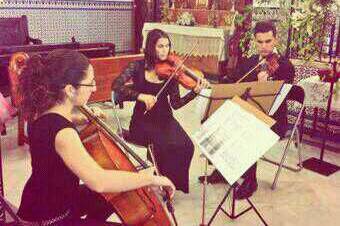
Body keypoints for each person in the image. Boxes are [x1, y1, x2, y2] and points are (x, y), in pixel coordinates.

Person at [17, 49, 175, 226]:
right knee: (110, 188)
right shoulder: (64, 134)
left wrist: (81, 117)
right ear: (69, 90)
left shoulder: (41, 113)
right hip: (50, 219)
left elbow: (54, 123)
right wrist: (149, 179)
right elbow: (99, 181)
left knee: (117, 194)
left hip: (44, 199)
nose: (94, 88)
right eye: (90, 83)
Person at [200, 20, 295, 200]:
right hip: (249, 112)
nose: (264, 46)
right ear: (254, 41)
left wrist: (264, 87)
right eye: (260, 42)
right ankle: (223, 169)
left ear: (275, 40)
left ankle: (251, 180)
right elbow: (236, 81)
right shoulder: (250, 61)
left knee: (247, 129)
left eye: (268, 41)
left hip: (274, 119)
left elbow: (282, 98)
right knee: (215, 119)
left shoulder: (285, 66)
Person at [112, 29, 209, 194]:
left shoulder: (171, 71)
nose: (165, 50)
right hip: (142, 120)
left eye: (167, 46)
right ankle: (158, 178)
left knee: (186, 146)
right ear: (151, 48)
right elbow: (116, 86)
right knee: (164, 145)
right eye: (160, 46)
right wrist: (141, 96)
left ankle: (170, 183)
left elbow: (176, 104)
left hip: (165, 118)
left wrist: (194, 92)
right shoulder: (136, 66)